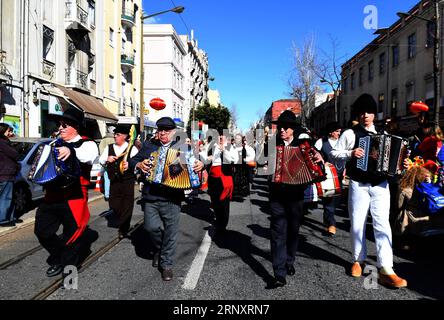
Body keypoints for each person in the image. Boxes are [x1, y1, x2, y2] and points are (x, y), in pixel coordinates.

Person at [330, 93, 408, 289]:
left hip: (381, 185)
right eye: (362, 112)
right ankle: (358, 260)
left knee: (383, 225)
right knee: (357, 222)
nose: (365, 115)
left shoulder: (384, 135)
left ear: (375, 114)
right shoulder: (350, 134)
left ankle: (386, 269)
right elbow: (333, 154)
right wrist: (350, 153)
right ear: (358, 113)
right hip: (359, 183)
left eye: (369, 112)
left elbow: (396, 163)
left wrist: (403, 162)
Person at [129, 117, 204, 281]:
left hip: (172, 198)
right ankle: (160, 249)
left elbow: (197, 162)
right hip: (151, 195)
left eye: (167, 130)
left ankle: (167, 264)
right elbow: (131, 160)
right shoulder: (149, 146)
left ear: (174, 132)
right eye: (160, 130)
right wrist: (140, 164)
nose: (162, 133)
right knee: (150, 228)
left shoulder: (183, 148)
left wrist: (201, 165)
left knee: (171, 232)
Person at [34, 107, 99, 278]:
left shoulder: (88, 144)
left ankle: (69, 275)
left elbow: (88, 157)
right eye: (60, 124)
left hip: (74, 196)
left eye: (65, 125)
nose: (60, 128)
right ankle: (58, 255)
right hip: (52, 196)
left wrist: (71, 151)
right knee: (42, 231)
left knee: (72, 238)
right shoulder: (53, 144)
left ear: (75, 127)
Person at [268, 110, 324, 287]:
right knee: (278, 232)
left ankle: (289, 261)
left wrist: (320, 158)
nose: (282, 130)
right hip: (277, 193)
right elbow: (261, 163)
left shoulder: (304, 144)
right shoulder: (272, 144)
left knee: (293, 230)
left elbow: (320, 159)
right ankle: (279, 273)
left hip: (296, 194)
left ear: (293, 129)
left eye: (285, 127)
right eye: (280, 127)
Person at [99, 124, 138, 239]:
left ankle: (124, 228)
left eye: (118, 134)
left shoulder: (132, 148)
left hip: (127, 181)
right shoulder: (109, 147)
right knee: (114, 204)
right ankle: (120, 218)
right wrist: (107, 159)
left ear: (125, 136)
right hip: (114, 181)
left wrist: (130, 165)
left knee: (127, 204)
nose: (115, 136)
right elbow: (101, 160)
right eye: (115, 134)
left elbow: (137, 164)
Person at [200, 133, 239, 235]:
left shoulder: (231, 148)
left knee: (224, 203)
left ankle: (222, 225)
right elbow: (205, 158)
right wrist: (205, 156)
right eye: (219, 136)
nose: (221, 138)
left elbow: (234, 159)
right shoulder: (213, 147)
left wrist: (224, 150)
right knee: (215, 201)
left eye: (223, 136)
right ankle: (218, 219)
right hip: (213, 178)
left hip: (224, 179)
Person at [314, 121, 344, 236]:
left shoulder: (342, 142)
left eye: (339, 131)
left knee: (337, 200)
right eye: (337, 131)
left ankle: (327, 218)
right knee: (329, 199)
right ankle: (331, 223)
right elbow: (313, 154)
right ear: (331, 132)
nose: (339, 134)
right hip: (328, 176)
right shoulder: (321, 142)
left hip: (340, 174)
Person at [0, 123, 20, 227]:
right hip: (5, 174)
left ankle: (9, 218)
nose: (11, 133)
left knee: (6, 197)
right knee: (6, 197)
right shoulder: (3, 143)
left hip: (5, 173)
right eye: (9, 131)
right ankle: (3, 220)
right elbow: (15, 154)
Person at [232, 134, 255, 198]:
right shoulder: (233, 147)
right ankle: (235, 192)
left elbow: (252, 155)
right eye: (236, 138)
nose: (237, 140)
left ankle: (242, 192)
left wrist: (245, 159)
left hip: (243, 168)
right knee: (234, 179)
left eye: (239, 138)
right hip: (235, 167)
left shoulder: (246, 147)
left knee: (243, 179)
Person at [99, 126, 116, 201]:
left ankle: (107, 194)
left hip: (105, 161)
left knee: (107, 177)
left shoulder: (103, 140)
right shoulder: (114, 139)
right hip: (114, 160)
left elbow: (100, 149)